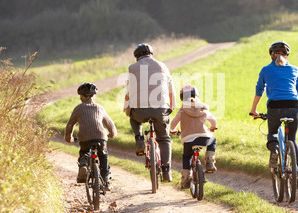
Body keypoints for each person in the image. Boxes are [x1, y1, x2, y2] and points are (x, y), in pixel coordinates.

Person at [249, 41, 298, 186]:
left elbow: (259, 90)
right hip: (295, 106)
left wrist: (254, 110)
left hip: (275, 107)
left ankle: (274, 149)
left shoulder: (266, 70)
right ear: (287, 55)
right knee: (292, 139)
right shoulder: (295, 69)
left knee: (273, 133)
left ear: (272, 55)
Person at [123, 43, 176, 182]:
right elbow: (171, 88)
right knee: (164, 139)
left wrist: (126, 108)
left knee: (133, 117)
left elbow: (128, 93)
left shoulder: (132, 68)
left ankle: (139, 139)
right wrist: (172, 105)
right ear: (151, 54)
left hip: (139, 110)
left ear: (137, 57)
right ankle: (166, 171)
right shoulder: (162, 66)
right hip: (160, 109)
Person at [65, 82, 117, 189]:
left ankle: (83, 165)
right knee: (103, 156)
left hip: (84, 137)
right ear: (94, 96)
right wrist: (112, 134)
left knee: (84, 152)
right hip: (100, 137)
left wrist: (68, 138)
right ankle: (106, 181)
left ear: (83, 97)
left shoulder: (78, 109)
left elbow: (70, 125)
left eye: (80, 97)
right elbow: (110, 124)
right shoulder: (99, 108)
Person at [170, 85, 218, 189]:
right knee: (213, 140)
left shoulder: (182, 110)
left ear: (182, 98)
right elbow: (213, 121)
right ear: (196, 96)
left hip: (188, 140)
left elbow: (173, 124)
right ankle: (209, 161)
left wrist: (173, 130)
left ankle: (186, 179)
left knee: (187, 156)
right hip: (203, 137)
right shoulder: (203, 108)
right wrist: (213, 127)